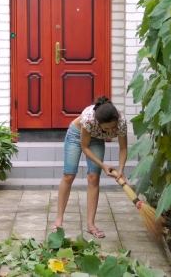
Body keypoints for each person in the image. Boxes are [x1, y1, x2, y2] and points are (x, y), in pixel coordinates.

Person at [52, 96, 128, 238]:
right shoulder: (88, 119)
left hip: (97, 139)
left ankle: (90, 224)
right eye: (107, 128)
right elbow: (85, 147)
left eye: (113, 127)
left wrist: (121, 170)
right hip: (76, 136)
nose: (111, 131)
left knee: (94, 177)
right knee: (69, 175)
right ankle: (58, 220)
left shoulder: (121, 122)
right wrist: (103, 165)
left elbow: (123, 148)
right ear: (98, 123)